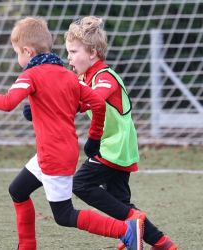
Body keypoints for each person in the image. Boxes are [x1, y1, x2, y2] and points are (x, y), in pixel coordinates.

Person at [0, 16, 144, 250]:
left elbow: (6, 103)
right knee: (18, 190)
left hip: (53, 157)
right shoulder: (67, 75)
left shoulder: (31, 74)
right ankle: (26, 246)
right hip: (57, 151)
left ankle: (126, 231)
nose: (18, 59)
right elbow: (95, 104)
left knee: (64, 215)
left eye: (17, 53)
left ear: (27, 51)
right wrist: (94, 138)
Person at [64, 16, 178, 250]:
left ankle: (133, 223)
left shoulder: (104, 77)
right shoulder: (84, 78)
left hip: (114, 146)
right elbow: (72, 99)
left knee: (80, 185)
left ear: (93, 52)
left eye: (74, 51)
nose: (69, 57)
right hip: (117, 146)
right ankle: (162, 243)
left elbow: (93, 99)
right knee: (120, 202)